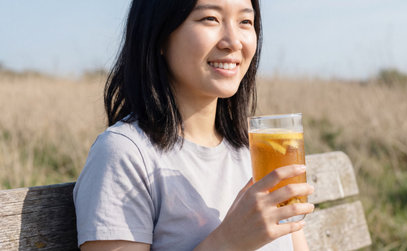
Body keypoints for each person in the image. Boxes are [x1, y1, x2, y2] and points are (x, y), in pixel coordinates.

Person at [73, 0, 315, 250]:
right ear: (159, 34)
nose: (233, 42)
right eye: (210, 19)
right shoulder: (126, 154)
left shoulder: (256, 151)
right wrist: (229, 242)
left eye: (245, 21)